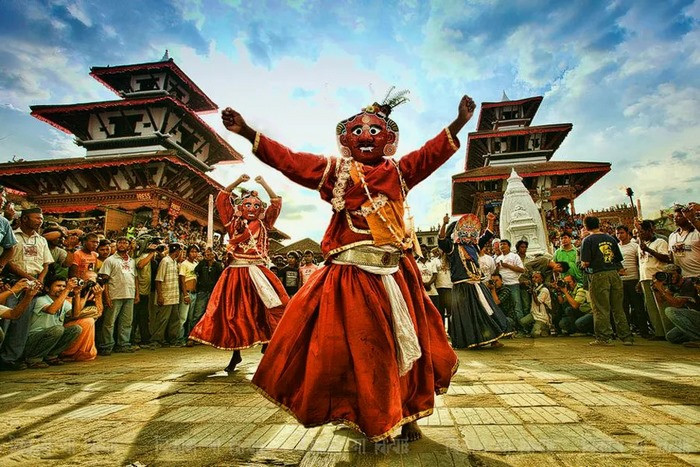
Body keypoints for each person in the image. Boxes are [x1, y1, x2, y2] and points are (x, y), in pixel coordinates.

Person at [223, 92, 474, 442]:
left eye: (375, 130)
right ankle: (364, 412)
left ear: (389, 140)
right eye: (357, 131)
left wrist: (459, 122)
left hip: (397, 276)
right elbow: (291, 161)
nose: (366, 135)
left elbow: (431, 154)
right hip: (351, 278)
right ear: (345, 141)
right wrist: (249, 133)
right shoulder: (334, 172)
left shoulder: (401, 172)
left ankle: (406, 413)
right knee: (363, 351)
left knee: (407, 347)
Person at [190, 174, 289, 372]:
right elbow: (222, 198)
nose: (252, 208)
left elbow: (276, 203)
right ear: (240, 207)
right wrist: (237, 182)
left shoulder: (264, 224)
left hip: (258, 273)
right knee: (234, 315)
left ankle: (267, 342)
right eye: (248, 205)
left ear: (261, 210)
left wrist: (263, 183)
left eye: (256, 206)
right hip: (235, 273)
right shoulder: (232, 223)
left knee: (269, 308)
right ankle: (236, 354)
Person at [439, 212, 511, 349]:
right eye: (463, 231)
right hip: (462, 288)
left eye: (470, 231)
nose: (467, 234)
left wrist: (490, 221)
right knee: (467, 316)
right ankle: (472, 341)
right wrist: (444, 224)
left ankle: (494, 338)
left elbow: (487, 236)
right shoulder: (452, 248)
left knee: (488, 310)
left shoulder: (473, 246)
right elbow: (442, 240)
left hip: (477, 285)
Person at [0, 207, 53, 371]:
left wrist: (39, 280)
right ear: (24, 219)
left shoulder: (42, 240)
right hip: (14, 282)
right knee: (6, 319)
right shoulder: (13, 236)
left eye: (41, 218)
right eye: (36, 218)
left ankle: (10, 358)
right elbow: (8, 261)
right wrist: (29, 278)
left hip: (33, 283)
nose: (40, 221)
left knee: (21, 322)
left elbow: (46, 264)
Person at [580, 216, 633, 345]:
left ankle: (604, 337)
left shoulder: (587, 240)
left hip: (598, 275)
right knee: (618, 308)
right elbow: (618, 260)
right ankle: (626, 337)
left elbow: (585, 263)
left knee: (600, 308)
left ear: (586, 226)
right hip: (614, 274)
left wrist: (582, 264)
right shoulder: (610, 238)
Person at [24, 276, 83, 368]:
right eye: (58, 286)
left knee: (76, 329)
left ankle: (51, 356)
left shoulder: (64, 302)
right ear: (47, 288)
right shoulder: (41, 300)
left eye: (64, 286)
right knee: (58, 329)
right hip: (33, 339)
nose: (62, 289)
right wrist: (67, 290)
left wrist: (77, 294)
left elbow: (76, 315)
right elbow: (52, 310)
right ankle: (33, 359)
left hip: (51, 337)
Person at [98, 237, 139, 355]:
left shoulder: (131, 261)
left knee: (126, 321)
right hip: (114, 294)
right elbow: (104, 280)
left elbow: (135, 278)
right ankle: (107, 345)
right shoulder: (110, 260)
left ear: (129, 245)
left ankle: (123, 344)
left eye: (125, 242)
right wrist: (107, 297)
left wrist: (136, 294)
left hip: (129, 294)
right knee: (109, 322)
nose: (122, 245)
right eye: (120, 242)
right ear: (116, 245)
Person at [637, 219, 671, 339]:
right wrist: (639, 280)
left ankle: (669, 332)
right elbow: (641, 264)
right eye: (638, 232)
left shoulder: (660, 242)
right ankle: (659, 333)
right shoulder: (640, 246)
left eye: (642, 231)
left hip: (658, 279)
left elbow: (666, 258)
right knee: (651, 307)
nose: (640, 234)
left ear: (649, 230)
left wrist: (648, 250)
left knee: (661, 306)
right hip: (645, 279)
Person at [651, 264, 699, 344]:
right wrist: (657, 289)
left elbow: (678, 304)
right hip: (693, 318)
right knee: (671, 337)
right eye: (668, 275)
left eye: (672, 274)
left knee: (670, 311)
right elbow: (660, 302)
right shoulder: (673, 286)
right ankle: (694, 335)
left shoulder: (688, 283)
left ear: (679, 273)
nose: (671, 276)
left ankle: (697, 338)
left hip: (697, 316)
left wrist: (661, 290)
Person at [616, 225, 650, 337]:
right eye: (617, 233)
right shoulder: (615, 247)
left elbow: (640, 263)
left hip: (634, 280)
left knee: (638, 307)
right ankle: (627, 332)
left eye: (621, 233)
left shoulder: (635, 246)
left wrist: (640, 280)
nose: (619, 235)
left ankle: (644, 331)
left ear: (627, 233)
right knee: (624, 308)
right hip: (621, 281)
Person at [186, 247, 223, 346]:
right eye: (206, 254)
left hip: (213, 293)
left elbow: (221, 278)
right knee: (198, 314)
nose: (208, 256)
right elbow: (196, 270)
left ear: (214, 255)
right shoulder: (202, 265)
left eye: (210, 254)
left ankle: (209, 337)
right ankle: (193, 336)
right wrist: (203, 261)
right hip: (202, 292)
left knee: (212, 315)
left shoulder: (218, 265)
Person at [152, 243, 183, 347]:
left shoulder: (174, 262)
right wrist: (160, 295)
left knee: (175, 319)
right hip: (166, 296)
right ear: (177, 251)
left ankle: (172, 340)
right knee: (163, 319)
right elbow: (158, 279)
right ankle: (157, 340)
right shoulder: (165, 261)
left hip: (174, 296)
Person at [495, 239, 526, 323]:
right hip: (502, 286)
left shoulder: (514, 256)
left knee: (517, 306)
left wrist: (507, 266)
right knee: (505, 307)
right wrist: (497, 268)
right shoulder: (498, 258)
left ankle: (522, 328)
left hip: (513, 284)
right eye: (500, 245)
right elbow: (496, 274)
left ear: (509, 246)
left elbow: (522, 270)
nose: (502, 246)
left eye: (504, 244)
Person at [668, 205, 700, 278]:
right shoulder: (672, 236)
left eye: (679, 216)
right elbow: (671, 256)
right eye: (674, 217)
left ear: (687, 217)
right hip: (682, 279)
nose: (675, 219)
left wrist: (692, 219)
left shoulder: (697, 232)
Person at [519, 271, 551, 337]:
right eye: (533, 277)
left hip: (542, 317)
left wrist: (533, 292)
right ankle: (535, 327)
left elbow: (538, 303)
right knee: (522, 322)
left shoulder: (544, 290)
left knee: (534, 334)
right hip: (534, 314)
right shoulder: (535, 288)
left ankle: (545, 329)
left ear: (542, 279)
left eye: (536, 277)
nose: (534, 279)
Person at [179, 244, 199, 340]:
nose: (194, 254)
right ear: (188, 253)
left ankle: (188, 336)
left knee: (191, 317)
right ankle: (179, 337)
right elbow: (182, 280)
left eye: (195, 252)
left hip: (194, 293)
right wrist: (185, 294)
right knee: (183, 317)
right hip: (187, 292)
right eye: (192, 251)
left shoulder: (196, 264)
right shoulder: (184, 264)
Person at [431, 247, 452, 328]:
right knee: (440, 311)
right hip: (439, 287)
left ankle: (451, 330)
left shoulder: (450, 260)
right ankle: (442, 329)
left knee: (450, 310)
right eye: (440, 249)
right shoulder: (435, 261)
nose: (441, 251)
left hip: (450, 287)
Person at [417, 245, 439, 309]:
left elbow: (435, 275)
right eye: (420, 250)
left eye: (423, 250)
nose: (422, 252)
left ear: (427, 251)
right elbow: (416, 276)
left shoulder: (432, 262)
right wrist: (423, 284)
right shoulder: (415, 263)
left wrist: (428, 284)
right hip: (421, 290)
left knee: (434, 309)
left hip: (432, 290)